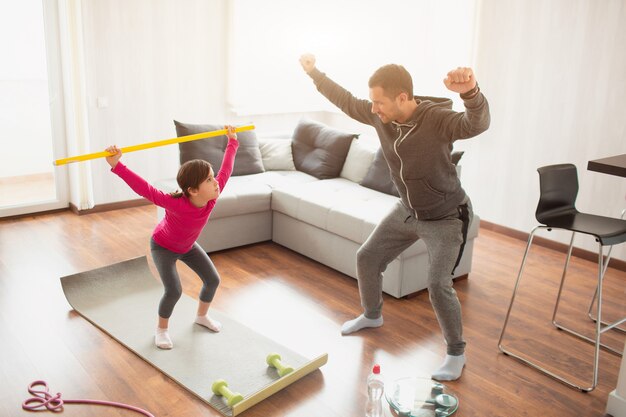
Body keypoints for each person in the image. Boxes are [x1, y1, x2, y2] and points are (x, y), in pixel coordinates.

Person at [299, 54, 490, 381]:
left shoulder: (438, 119)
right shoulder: (381, 117)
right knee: (368, 258)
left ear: (403, 97)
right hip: (408, 209)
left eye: (379, 102)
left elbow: (476, 124)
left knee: (438, 284)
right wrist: (314, 73)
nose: (374, 108)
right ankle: (372, 315)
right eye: (373, 102)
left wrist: (471, 93)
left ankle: (456, 352)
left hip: (446, 216)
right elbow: (345, 100)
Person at [105, 126, 239, 349]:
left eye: (212, 177)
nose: (215, 181)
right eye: (208, 180)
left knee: (213, 280)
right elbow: (146, 189)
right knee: (174, 290)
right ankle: (161, 330)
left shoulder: (211, 197)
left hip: (187, 246)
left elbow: (227, 169)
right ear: (193, 190)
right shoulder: (176, 203)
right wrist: (117, 165)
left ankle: (202, 317)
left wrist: (232, 141)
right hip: (163, 247)